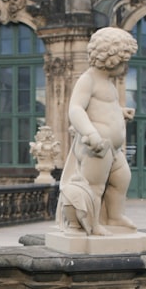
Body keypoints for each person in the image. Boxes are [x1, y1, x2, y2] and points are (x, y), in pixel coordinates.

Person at [58, 27, 138, 236]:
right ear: (111, 58)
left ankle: (114, 216)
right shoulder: (88, 79)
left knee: (122, 180)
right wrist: (91, 134)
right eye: (124, 61)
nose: (126, 66)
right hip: (97, 147)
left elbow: (103, 109)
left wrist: (121, 113)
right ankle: (92, 224)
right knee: (95, 186)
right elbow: (75, 109)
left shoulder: (108, 83)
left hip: (114, 148)